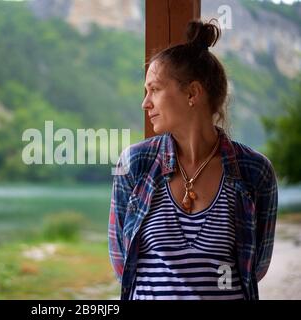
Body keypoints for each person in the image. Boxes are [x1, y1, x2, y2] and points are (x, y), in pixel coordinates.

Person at [108, 19, 278, 300]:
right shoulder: (134, 164)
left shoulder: (255, 171)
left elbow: (255, 267)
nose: (145, 102)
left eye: (155, 89)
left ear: (192, 93)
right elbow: (122, 262)